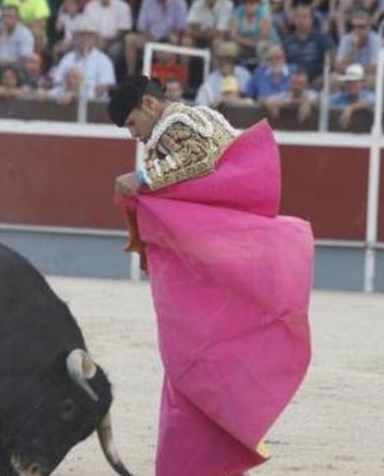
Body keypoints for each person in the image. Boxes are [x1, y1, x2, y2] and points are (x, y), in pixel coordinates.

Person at [108, 74, 312, 476]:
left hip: (216, 260)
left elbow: (197, 160)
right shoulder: (197, 115)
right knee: (212, 358)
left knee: (193, 358)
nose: (134, 135)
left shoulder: (176, 124)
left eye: (132, 123)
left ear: (148, 105)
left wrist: (143, 180)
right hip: (231, 253)